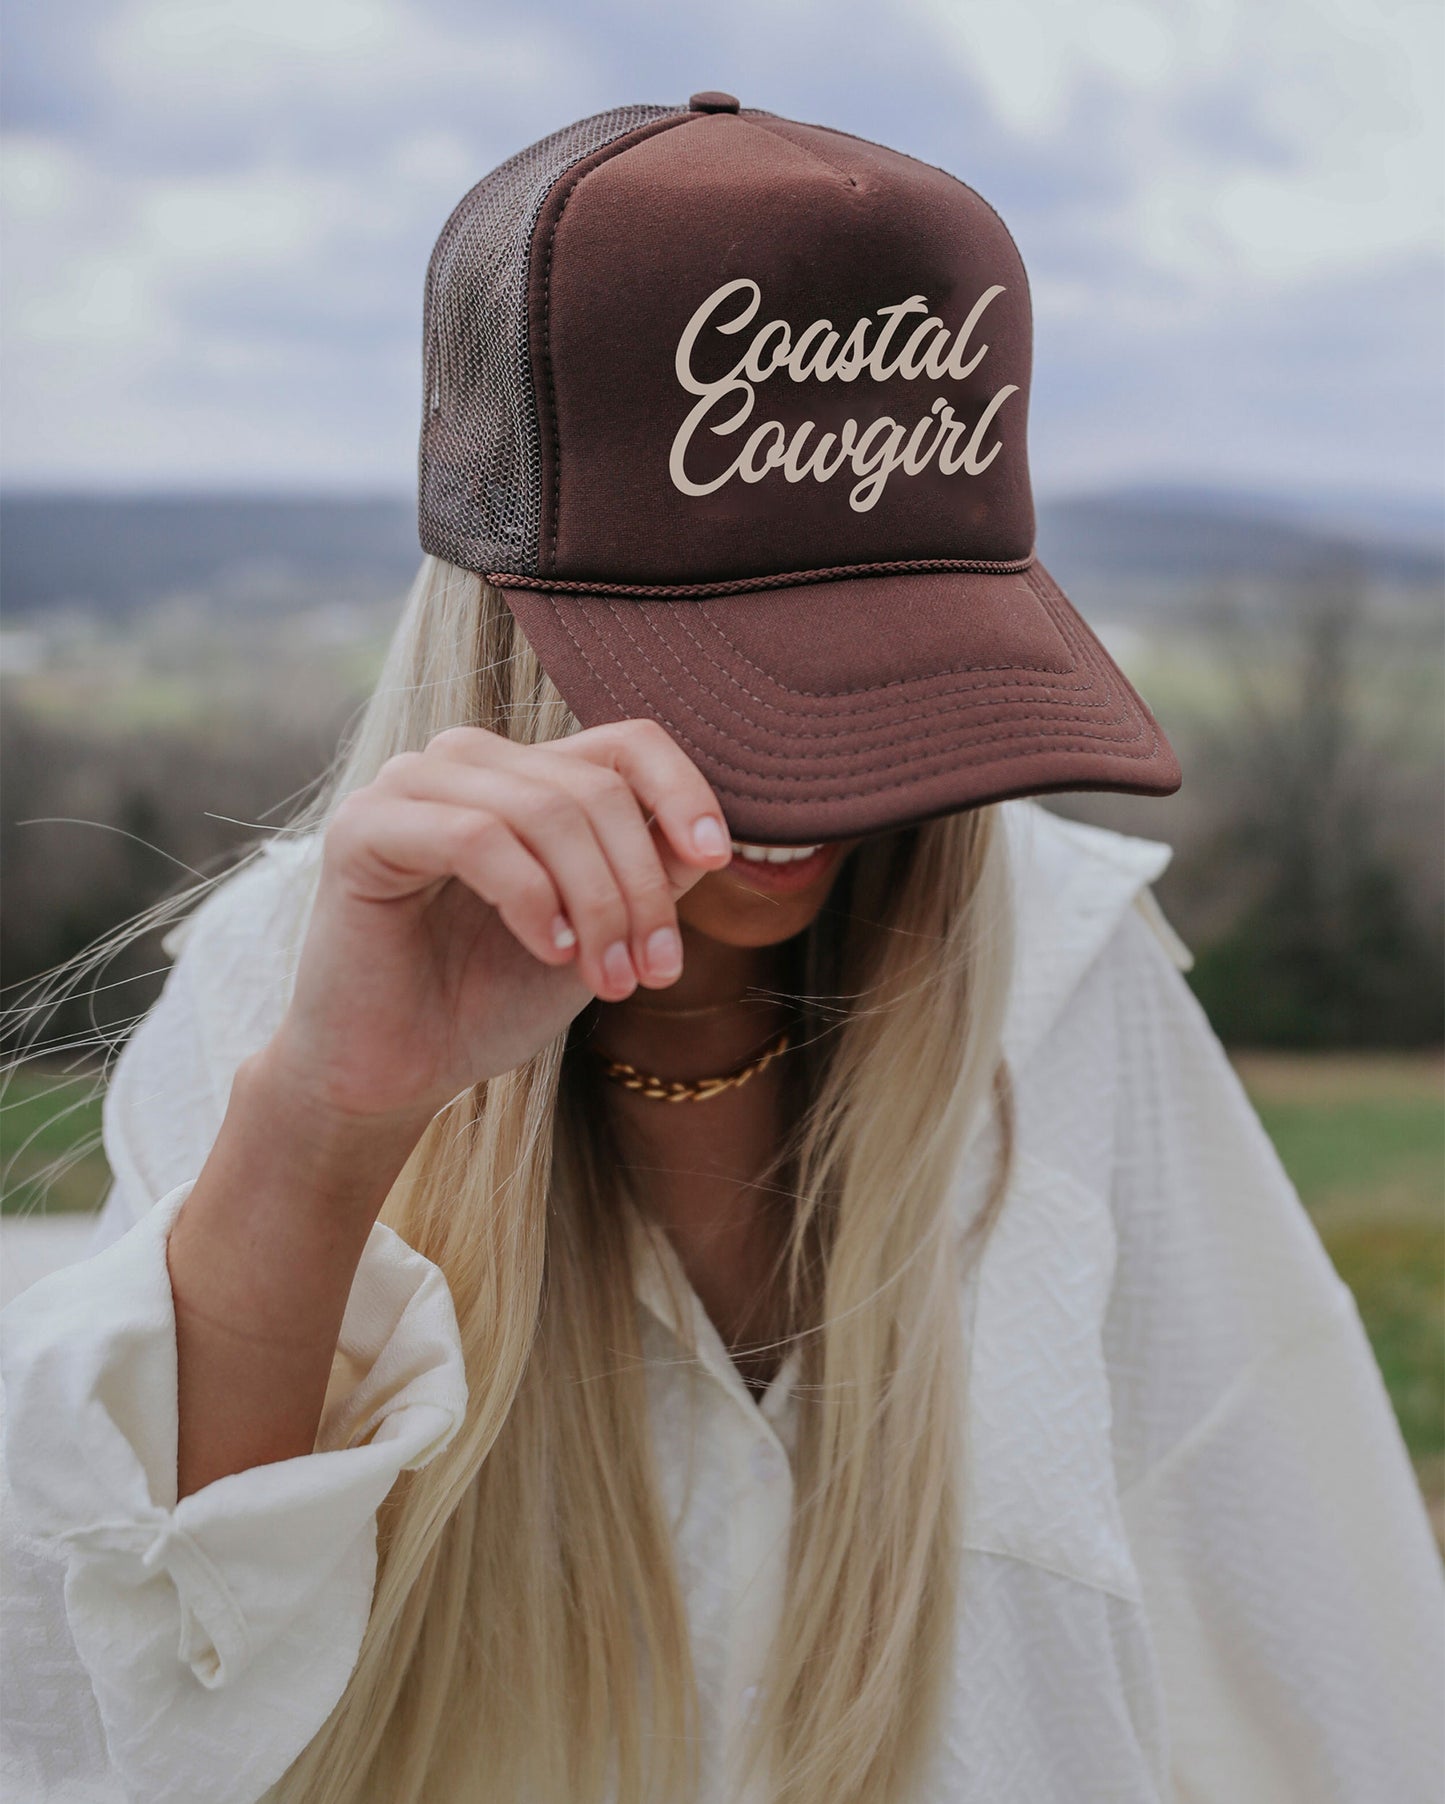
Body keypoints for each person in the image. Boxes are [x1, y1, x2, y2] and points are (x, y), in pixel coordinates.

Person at [2, 96, 1441, 1804]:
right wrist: (330, 1122)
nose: (800, 794)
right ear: (501, 625)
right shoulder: (292, 985)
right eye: (715, 662)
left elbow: (1311, 1638)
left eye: (894, 655)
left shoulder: (1061, 972)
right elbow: (123, 1694)